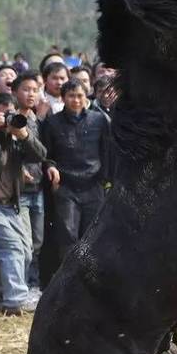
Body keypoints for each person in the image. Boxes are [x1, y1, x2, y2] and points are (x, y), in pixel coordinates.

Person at [0, 90, 47, 315]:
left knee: (25, 251)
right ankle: (15, 304)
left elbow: (40, 155)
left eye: (10, 113)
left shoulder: (16, 137)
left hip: (11, 204)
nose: (7, 118)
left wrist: (23, 135)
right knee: (11, 248)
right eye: (1, 114)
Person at [39, 79, 111, 262]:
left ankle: (91, 280)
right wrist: (50, 167)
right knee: (67, 236)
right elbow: (46, 154)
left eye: (80, 96)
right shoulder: (52, 123)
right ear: (63, 98)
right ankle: (69, 282)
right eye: (71, 96)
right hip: (65, 186)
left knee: (94, 236)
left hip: (94, 184)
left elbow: (107, 151)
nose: (76, 100)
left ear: (86, 96)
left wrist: (105, 179)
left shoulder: (99, 120)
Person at [11, 71, 47, 291]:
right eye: (25, 89)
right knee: (24, 243)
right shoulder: (11, 119)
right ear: (15, 91)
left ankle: (33, 285)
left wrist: (50, 166)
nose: (31, 94)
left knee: (38, 243)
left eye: (35, 90)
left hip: (38, 188)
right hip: (18, 191)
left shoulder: (38, 121)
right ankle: (22, 286)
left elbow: (46, 152)